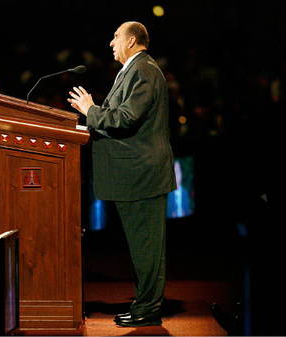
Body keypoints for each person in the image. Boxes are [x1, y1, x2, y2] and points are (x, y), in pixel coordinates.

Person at [68, 21, 176, 327]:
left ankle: (148, 309)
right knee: (143, 247)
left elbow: (126, 119)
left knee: (147, 247)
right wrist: (89, 119)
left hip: (142, 173)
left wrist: (90, 110)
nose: (111, 43)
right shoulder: (135, 69)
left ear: (131, 41)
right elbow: (121, 116)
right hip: (137, 172)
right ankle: (144, 304)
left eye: (116, 37)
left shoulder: (143, 70)